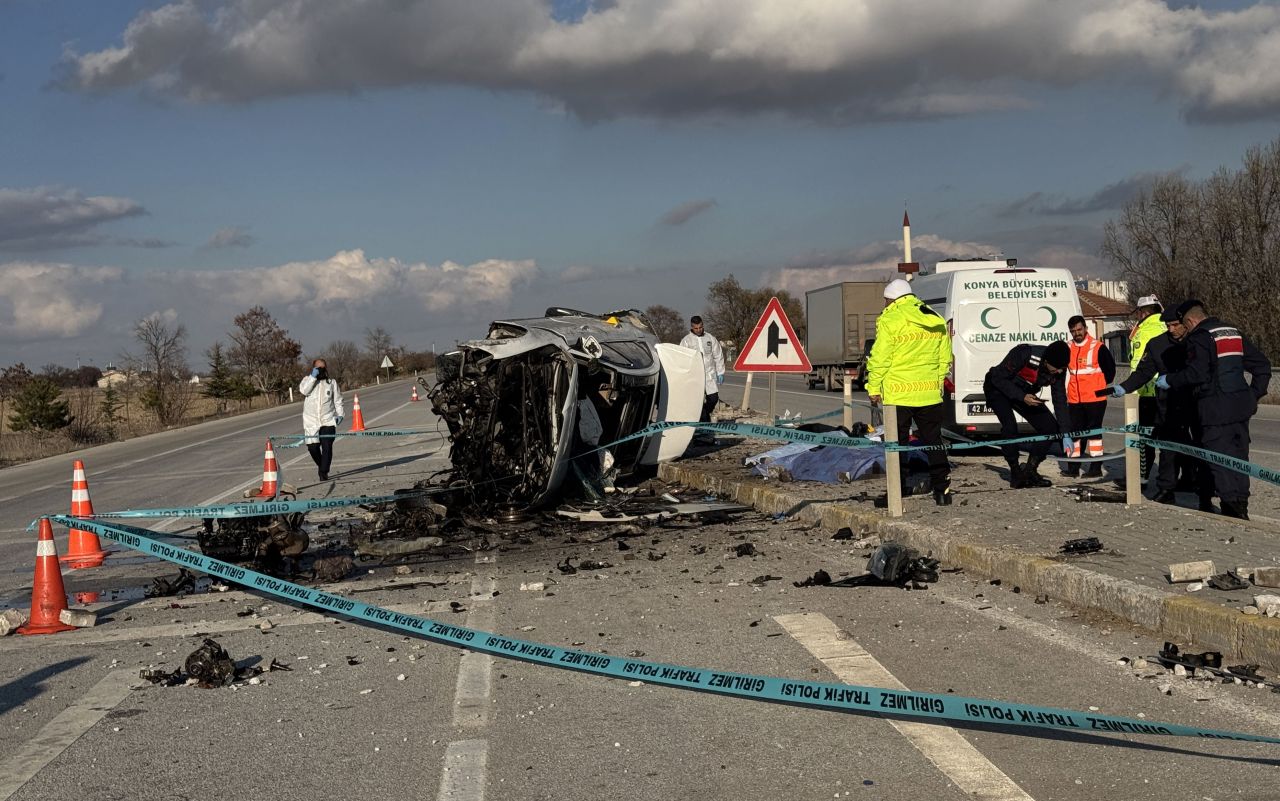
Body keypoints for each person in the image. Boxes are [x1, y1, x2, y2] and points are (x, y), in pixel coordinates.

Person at [1162, 301, 1271, 520]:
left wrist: (1171, 380)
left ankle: (1232, 510)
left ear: (1191, 321)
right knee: (1239, 458)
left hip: (1214, 409)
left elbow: (1197, 374)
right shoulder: (1232, 332)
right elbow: (1262, 366)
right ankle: (1242, 504)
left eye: (1184, 325)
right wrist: (1253, 395)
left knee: (1220, 460)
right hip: (1240, 408)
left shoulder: (1199, 338)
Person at [1112, 306, 1214, 511]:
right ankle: (1167, 488)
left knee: (1201, 445)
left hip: (1199, 401)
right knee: (1168, 448)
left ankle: (1202, 486)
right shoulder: (1157, 345)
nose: (1171, 330)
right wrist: (1125, 386)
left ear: (1185, 323)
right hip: (1170, 404)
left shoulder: (1199, 341)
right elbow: (1144, 372)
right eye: (1168, 326)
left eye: (1175, 325)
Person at [865, 278, 954, 505]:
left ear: (891, 299)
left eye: (885, 300)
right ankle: (942, 491)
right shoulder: (934, 317)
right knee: (933, 441)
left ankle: (898, 491)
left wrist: (874, 387)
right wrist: (936, 381)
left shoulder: (890, 319)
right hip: (929, 394)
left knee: (898, 444)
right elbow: (945, 357)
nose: (884, 304)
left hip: (898, 393)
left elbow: (880, 357)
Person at [983, 340, 1072, 488]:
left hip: (1024, 392)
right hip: (997, 388)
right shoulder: (1024, 354)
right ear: (1047, 361)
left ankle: (1030, 470)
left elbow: (1060, 400)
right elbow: (998, 378)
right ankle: (1016, 472)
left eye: (1063, 368)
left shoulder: (1059, 369)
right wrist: (1022, 397)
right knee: (1010, 427)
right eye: (1057, 368)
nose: (1060, 372)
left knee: (1050, 428)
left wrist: (1066, 432)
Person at [1060, 315, 1115, 478]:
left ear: (1085, 329)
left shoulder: (1098, 347)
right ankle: (1073, 467)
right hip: (1075, 399)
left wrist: (1099, 386)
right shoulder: (1067, 347)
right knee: (1075, 433)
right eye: (1073, 331)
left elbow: (1110, 372)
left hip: (1095, 399)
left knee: (1094, 434)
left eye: (1079, 329)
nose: (1077, 333)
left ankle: (1095, 467)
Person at [1128, 295, 1166, 480]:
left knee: (1145, 440)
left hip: (1147, 391)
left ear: (1143, 312)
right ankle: (1179, 478)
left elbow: (1138, 364)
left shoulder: (1144, 331)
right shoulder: (1166, 326)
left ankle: (1141, 479)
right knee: (1170, 439)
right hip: (1167, 391)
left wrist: (1132, 389)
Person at [679, 315, 725, 445]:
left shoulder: (710, 339)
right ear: (692, 327)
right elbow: (682, 359)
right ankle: (704, 429)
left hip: (709, 376)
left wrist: (720, 372)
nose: (698, 330)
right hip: (694, 377)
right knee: (698, 403)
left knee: (713, 399)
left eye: (700, 327)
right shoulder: (686, 341)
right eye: (696, 328)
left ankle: (701, 418)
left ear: (703, 325)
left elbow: (718, 356)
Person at [299, 358, 344, 481]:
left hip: (327, 419)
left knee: (327, 446)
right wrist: (313, 377)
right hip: (311, 421)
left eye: (323, 368)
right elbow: (304, 391)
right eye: (318, 368)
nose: (321, 370)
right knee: (313, 448)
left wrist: (340, 414)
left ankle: (323, 472)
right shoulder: (306, 381)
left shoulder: (332, 383)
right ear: (313, 369)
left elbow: (338, 400)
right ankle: (321, 466)